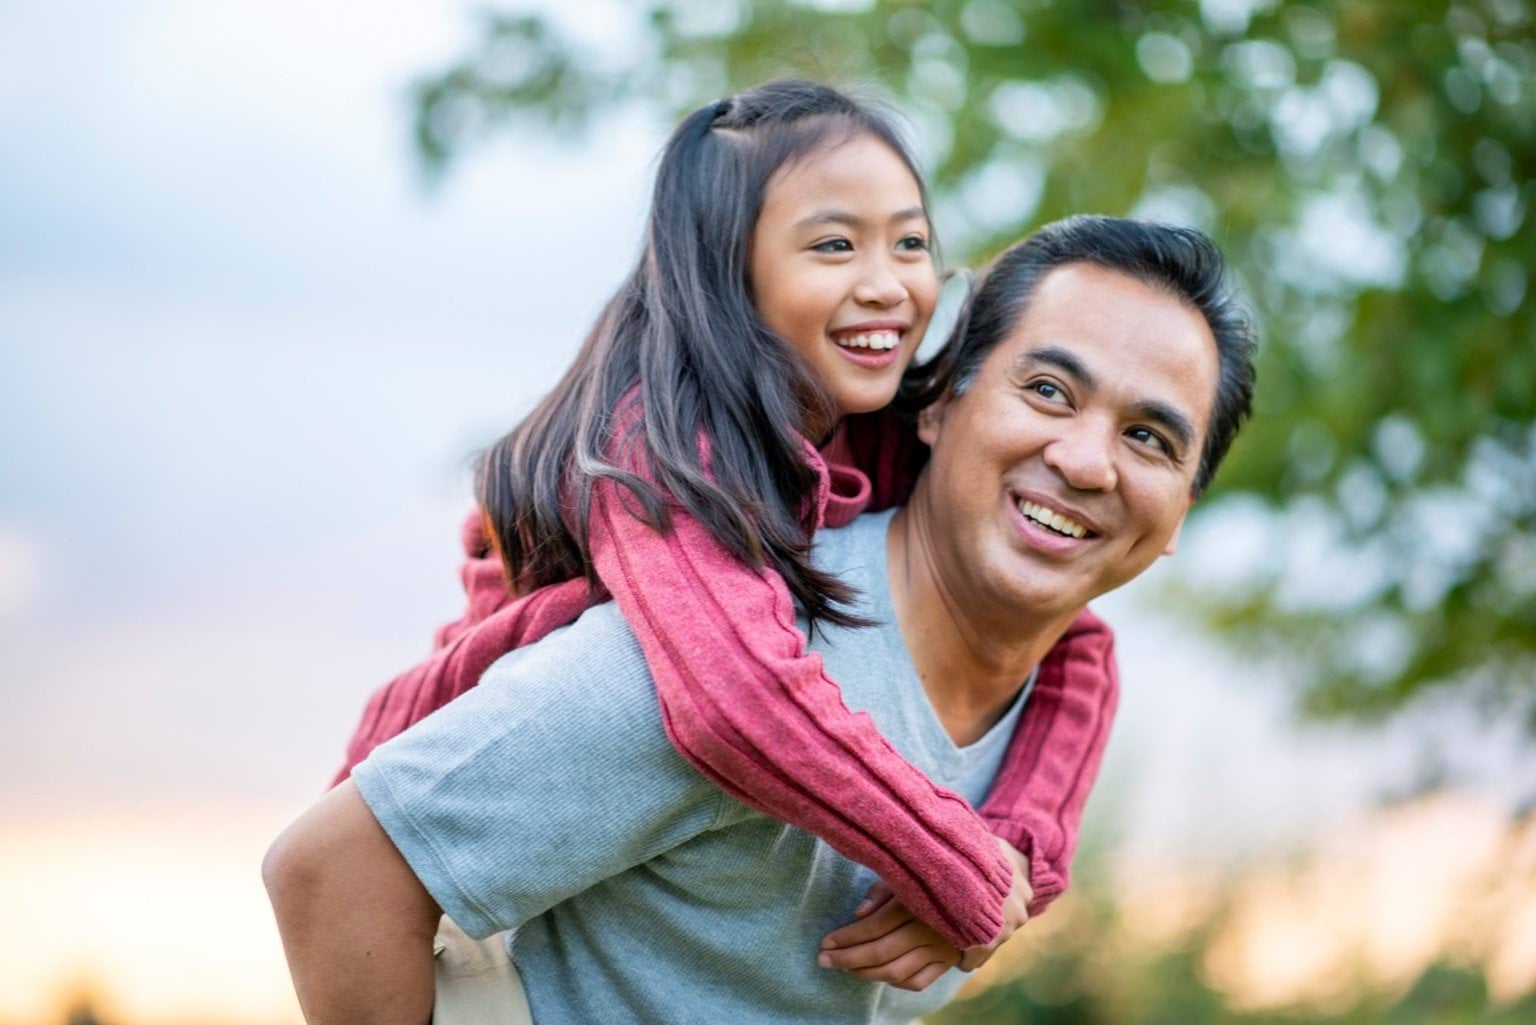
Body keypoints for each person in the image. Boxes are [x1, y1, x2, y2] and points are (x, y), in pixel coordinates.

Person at [265, 215, 1259, 1024]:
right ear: (939, 405)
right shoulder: (726, 646)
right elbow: (330, 870)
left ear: (1178, 515)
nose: (1088, 460)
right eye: (1047, 389)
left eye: (1148, 437)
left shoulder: (1050, 706)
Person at [327, 78, 1117, 953]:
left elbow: (1077, 644)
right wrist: (950, 859)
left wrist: (1020, 849)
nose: (888, 284)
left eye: (910, 243)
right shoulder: (650, 448)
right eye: (833, 246)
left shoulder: (873, 423)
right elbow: (734, 695)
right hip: (442, 882)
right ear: (727, 272)